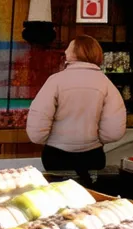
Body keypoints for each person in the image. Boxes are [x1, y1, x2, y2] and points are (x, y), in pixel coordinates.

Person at [26, 36, 127, 184]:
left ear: (76, 53)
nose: (66, 50)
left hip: (56, 155)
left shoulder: (55, 81)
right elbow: (114, 130)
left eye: (70, 47)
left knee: (58, 198)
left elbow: (37, 126)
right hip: (92, 154)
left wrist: (47, 140)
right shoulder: (106, 83)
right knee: (89, 199)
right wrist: (96, 140)